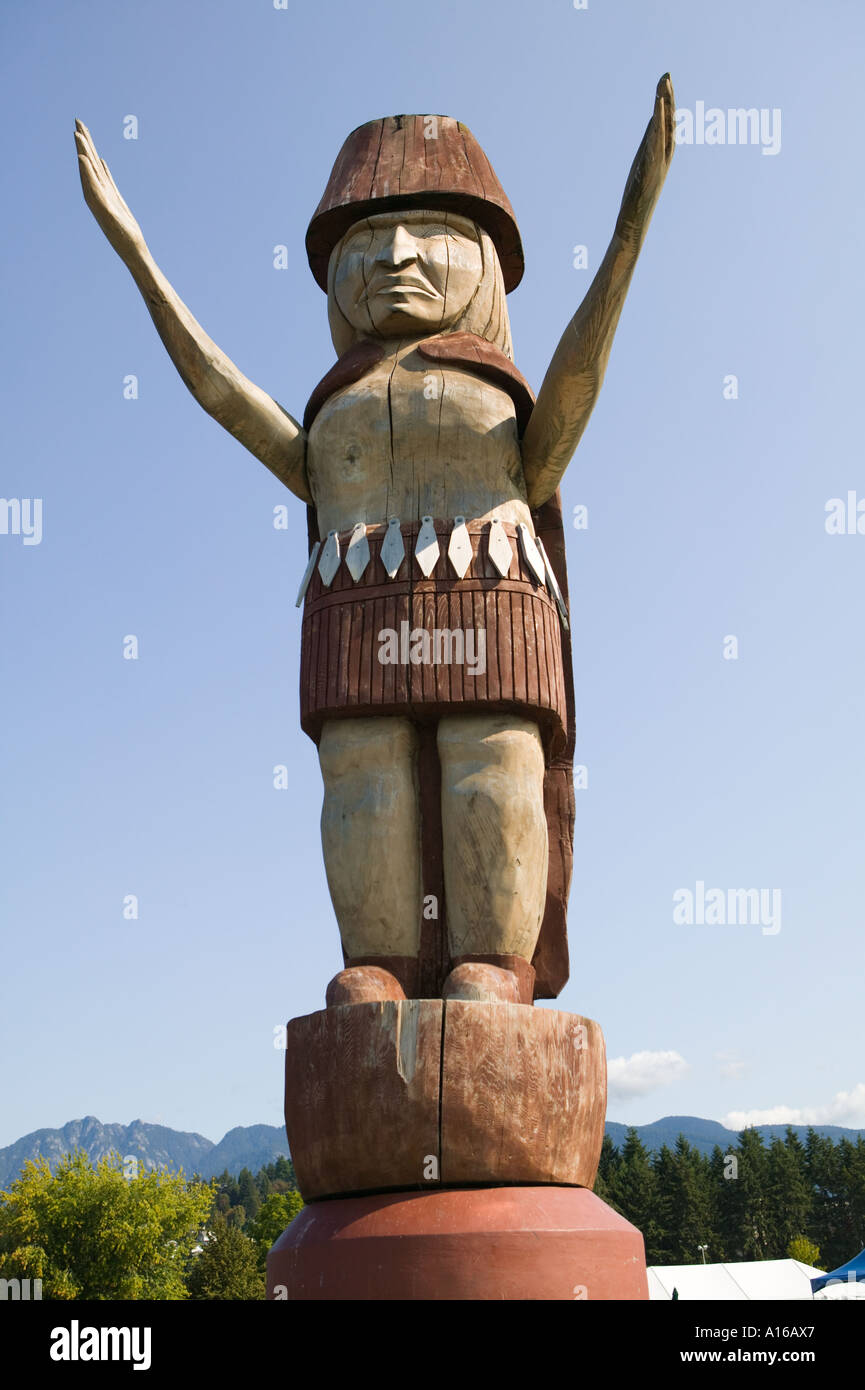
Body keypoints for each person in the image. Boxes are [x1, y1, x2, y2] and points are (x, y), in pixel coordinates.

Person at [75, 78, 674, 1007]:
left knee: (491, 754)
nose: (394, 256)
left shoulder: (504, 388)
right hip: (355, 592)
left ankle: (493, 957)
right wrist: (137, 253)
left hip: (487, 585)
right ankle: (382, 959)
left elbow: (574, 391)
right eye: (364, 241)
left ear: (482, 257)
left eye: (428, 232)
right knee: (361, 771)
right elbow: (224, 393)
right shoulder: (329, 407)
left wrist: (633, 220)